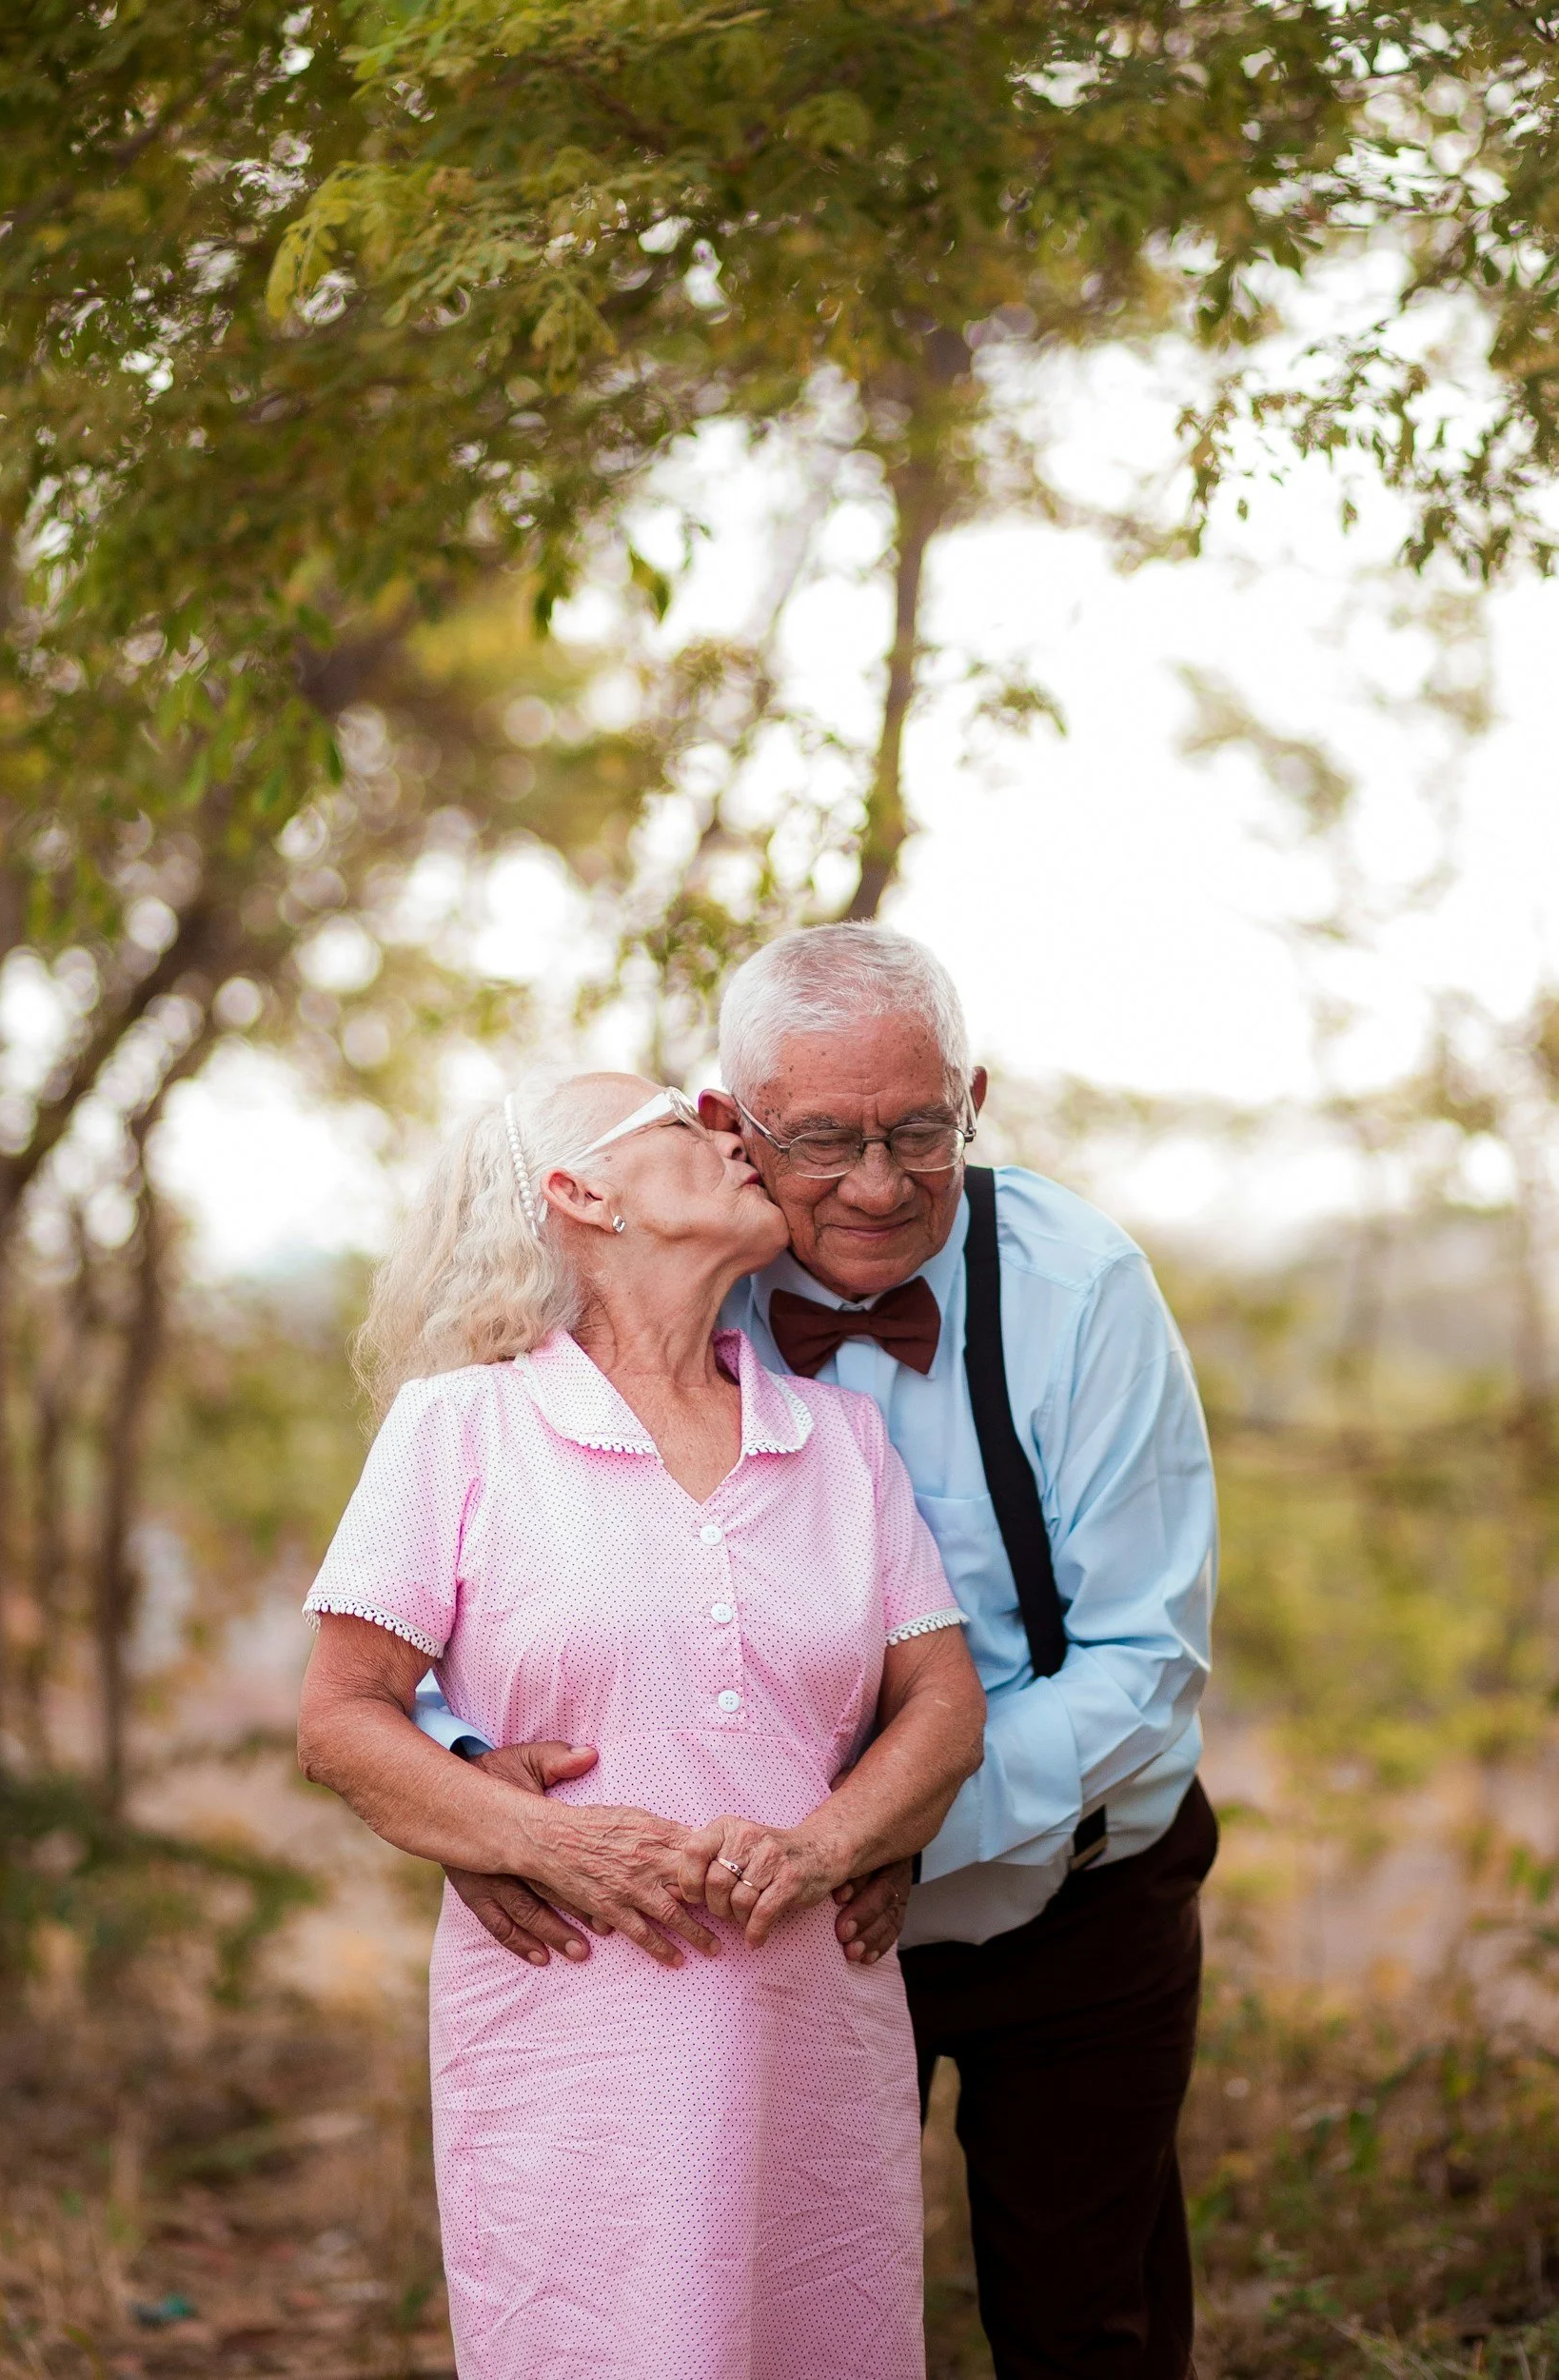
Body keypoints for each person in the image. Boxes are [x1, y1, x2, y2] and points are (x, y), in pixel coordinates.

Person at [427, 925, 1219, 2380]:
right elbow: (468, 1553)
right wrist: (476, 1791)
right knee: (766, 2307)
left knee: (1082, 2319)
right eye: (823, 1140)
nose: (874, 1183)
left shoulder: (1080, 1286)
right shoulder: (668, 1260)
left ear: (971, 1099)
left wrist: (891, 1827)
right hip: (763, 1933)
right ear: (733, 1126)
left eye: (919, 1132)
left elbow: (1143, 1659)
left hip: (1072, 1891)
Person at [295, 1071, 985, 2380]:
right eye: (681, 1117)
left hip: (808, 2018)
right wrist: (543, 1843)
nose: (728, 1133)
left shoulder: (837, 1440)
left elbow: (942, 1708)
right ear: (577, 1193)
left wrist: (827, 1846)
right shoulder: (465, 1424)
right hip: (574, 2029)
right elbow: (341, 1719)